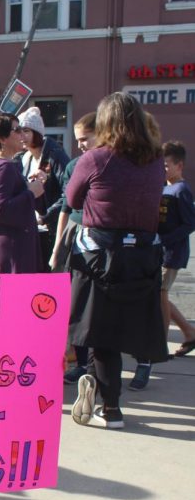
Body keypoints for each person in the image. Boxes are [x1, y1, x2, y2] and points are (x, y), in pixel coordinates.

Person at [66, 92, 166, 429]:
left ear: (105, 123)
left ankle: (110, 409)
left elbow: (72, 198)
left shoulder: (96, 158)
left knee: (99, 331)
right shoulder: (155, 160)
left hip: (101, 256)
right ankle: (95, 382)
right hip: (143, 256)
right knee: (121, 330)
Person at [50, 112, 96, 384]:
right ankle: (78, 359)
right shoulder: (74, 165)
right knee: (75, 302)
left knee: (94, 305)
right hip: (75, 235)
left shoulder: (109, 164)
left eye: (85, 139)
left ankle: (93, 363)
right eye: (77, 139)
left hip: (99, 239)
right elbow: (66, 208)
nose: (80, 144)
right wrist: (57, 246)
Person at [0, 112, 45, 274]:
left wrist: (30, 186)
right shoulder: (2, 167)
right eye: (17, 130)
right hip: (9, 255)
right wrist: (31, 192)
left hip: (7, 250)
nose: (22, 134)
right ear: (2, 138)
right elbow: (0, 210)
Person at [16, 106, 70, 270]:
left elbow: (68, 195)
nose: (21, 136)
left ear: (37, 132)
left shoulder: (55, 155)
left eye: (26, 131)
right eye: (19, 131)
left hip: (52, 231)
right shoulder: (24, 158)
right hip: (32, 229)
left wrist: (45, 216)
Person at [157, 140, 195, 358]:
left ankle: (160, 344)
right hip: (162, 251)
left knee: (160, 294)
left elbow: (190, 223)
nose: (163, 169)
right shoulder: (165, 187)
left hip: (172, 253)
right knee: (159, 295)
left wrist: (165, 240)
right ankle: (189, 332)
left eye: (166, 165)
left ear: (179, 165)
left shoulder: (181, 190)